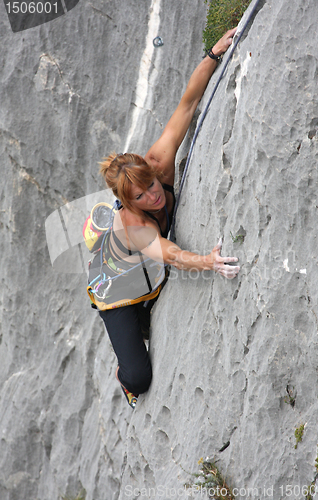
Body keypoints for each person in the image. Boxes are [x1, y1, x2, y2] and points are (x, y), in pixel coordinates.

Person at [97, 28, 240, 408]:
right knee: (140, 378)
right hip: (116, 288)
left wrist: (214, 53)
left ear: (149, 168)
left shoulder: (158, 161)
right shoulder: (135, 224)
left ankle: (144, 314)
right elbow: (174, 255)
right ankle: (123, 373)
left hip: (143, 268)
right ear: (128, 202)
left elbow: (187, 105)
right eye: (140, 196)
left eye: (149, 185)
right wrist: (209, 262)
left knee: (154, 290)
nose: (153, 194)